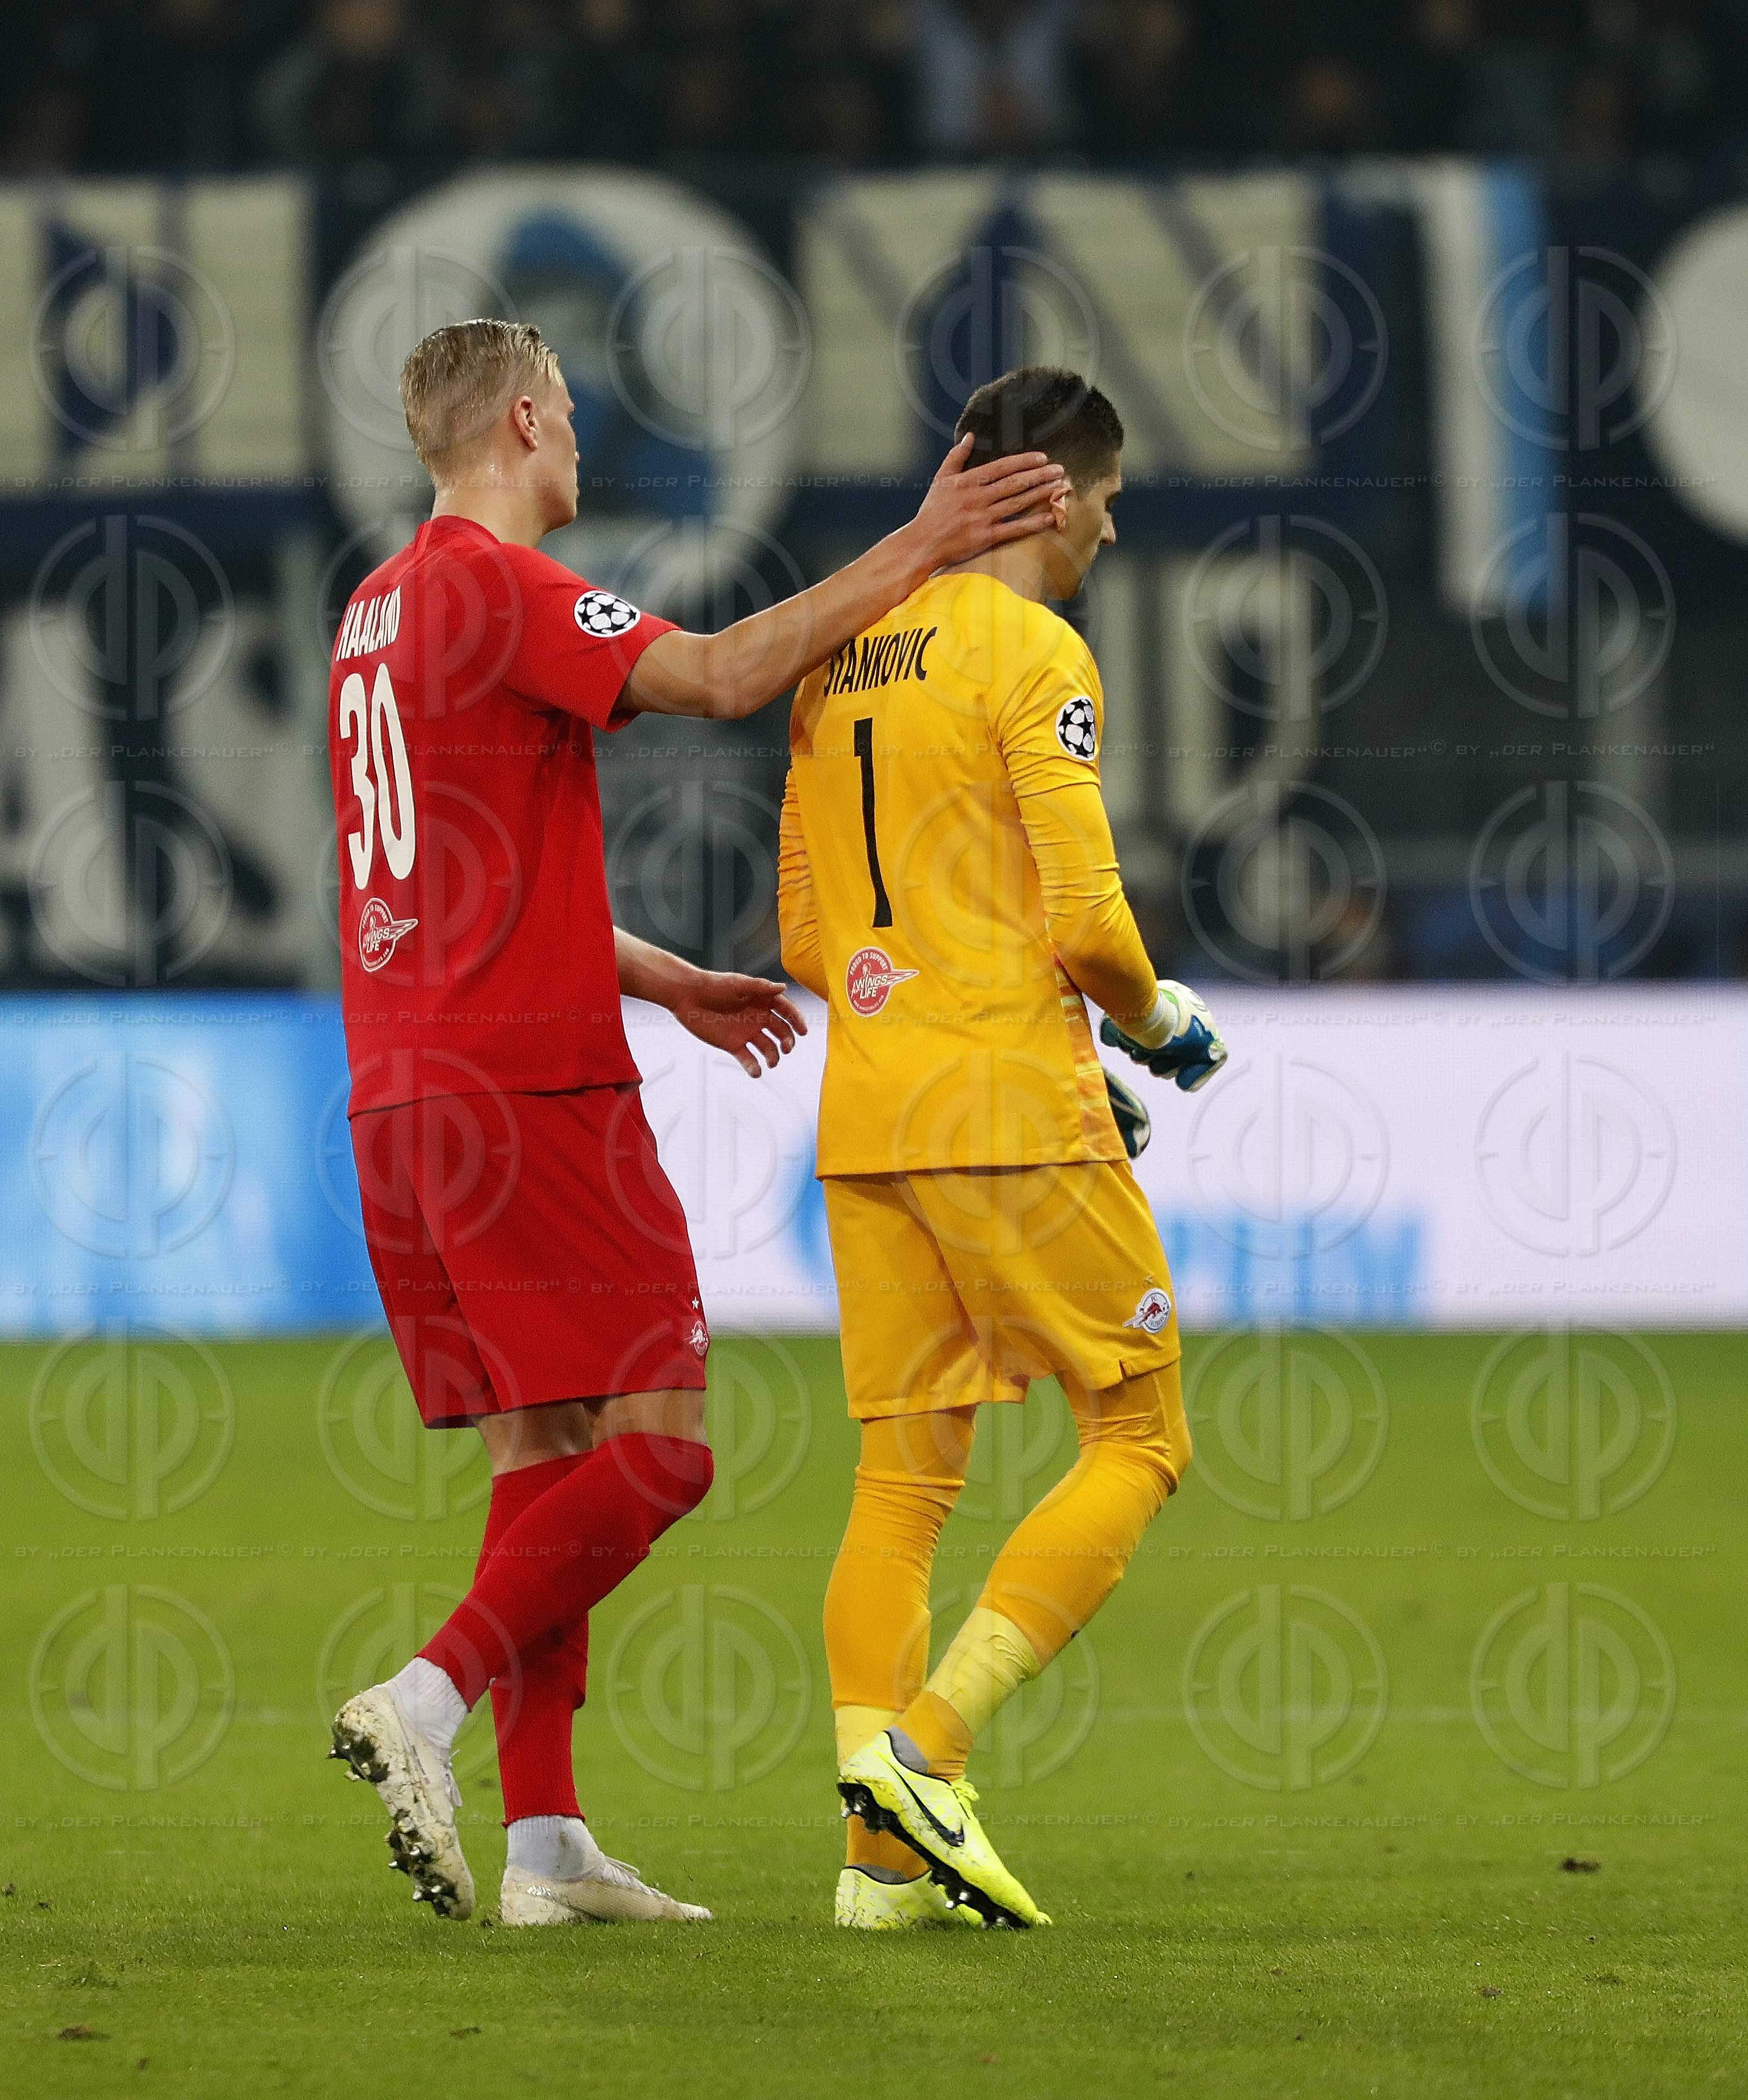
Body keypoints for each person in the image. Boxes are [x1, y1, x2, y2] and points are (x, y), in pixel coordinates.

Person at [325, 318, 1067, 1928]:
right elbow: (727, 676)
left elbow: (446, 881)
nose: (581, 439)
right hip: (529, 1090)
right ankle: (426, 1699)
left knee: (547, 1447)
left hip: (402, 1088)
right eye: (573, 414)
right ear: (524, 421)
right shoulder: (499, 584)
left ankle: (544, 1849)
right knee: (665, 1449)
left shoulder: (373, 617)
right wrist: (927, 543)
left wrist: (659, 977)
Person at [777, 364, 1227, 1929]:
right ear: (1056, 494)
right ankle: (931, 1749)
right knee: (1143, 1430)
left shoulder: (831, 664)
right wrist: (1155, 1024)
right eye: (1106, 495)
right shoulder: (1034, 654)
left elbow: (803, 928)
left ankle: (879, 1865)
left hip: (871, 1113)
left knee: (904, 1476)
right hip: (1003, 1098)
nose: (1112, 524)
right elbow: (1093, 918)